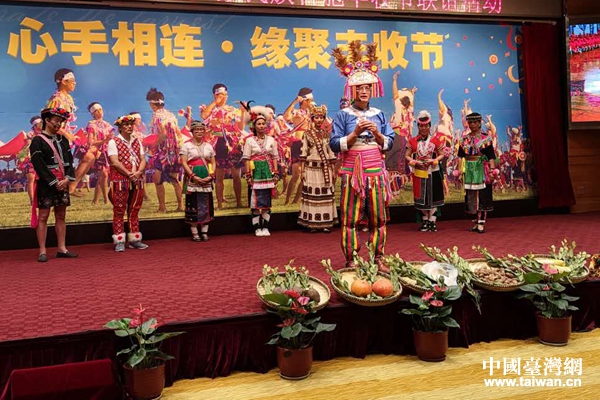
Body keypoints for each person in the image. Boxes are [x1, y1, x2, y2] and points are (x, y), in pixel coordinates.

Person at [330, 40, 395, 269]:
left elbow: (389, 142)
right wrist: (355, 133)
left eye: (367, 87)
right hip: (352, 173)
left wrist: (376, 133)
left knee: (379, 217)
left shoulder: (379, 114)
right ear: (352, 90)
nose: (364, 91)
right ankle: (352, 259)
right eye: (359, 88)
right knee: (350, 218)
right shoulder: (343, 115)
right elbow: (334, 144)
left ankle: (378, 257)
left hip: (376, 171)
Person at [29, 107, 78, 262]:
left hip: (63, 182)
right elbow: (39, 164)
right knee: (43, 216)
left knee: (61, 216)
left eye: (61, 122)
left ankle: (62, 248)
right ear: (47, 120)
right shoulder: (37, 141)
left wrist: (67, 179)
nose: (59, 124)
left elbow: (69, 162)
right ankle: (42, 251)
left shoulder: (63, 140)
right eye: (56, 121)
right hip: (46, 184)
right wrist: (53, 181)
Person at [107, 115, 148, 252]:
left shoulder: (137, 141)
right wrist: (129, 173)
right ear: (120, 127)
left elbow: (143, 159)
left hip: (136, 180)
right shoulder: (113, 142)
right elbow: (114, 161)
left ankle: (134, 240)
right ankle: (119, 241)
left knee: (134, 210)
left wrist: (138, 172)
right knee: (119, 210)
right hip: (121, 181)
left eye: (131, 124)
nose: (130, 126)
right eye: (126, 125)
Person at [201, 83, 244, 209]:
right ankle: (219, 203)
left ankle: (239, 202)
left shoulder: (232, 110)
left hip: (232, 142)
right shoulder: (210, 109)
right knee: (219, 176)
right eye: (220, 95)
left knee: (236, 175)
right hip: (218, 143)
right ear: (215, 95)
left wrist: (242, 113)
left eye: (225, 94)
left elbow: (240, 127)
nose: (223, 97)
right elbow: (204, 116)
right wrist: (215, 102)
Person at [297, 103, 338, 233]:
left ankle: (325, 223)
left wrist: (333, 170)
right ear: (312, 119)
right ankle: (313, 224)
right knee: (312, 196)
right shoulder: (307, 134)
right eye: (317, 117)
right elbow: (303, 152)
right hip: (311, 169)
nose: (319, 120)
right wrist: (302, 171)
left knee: (325, 195)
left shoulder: (327, 134)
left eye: (321, 117)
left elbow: (331, 153)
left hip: (325, 168)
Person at [457, 112, 498, 233]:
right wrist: (459, 171)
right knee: (472, 196)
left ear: (480, 123)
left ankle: (481, 222)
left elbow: (491, 156)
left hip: (482, 170)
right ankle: (476, 220)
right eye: (470, 122)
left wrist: (492, 171)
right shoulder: (464, 139)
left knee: (482, 195)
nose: (473, 124)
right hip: (469, 170)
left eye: (475, 122)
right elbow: (460, 156)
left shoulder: (486, 138)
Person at [405, 111, 446, 232]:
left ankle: (432, 221)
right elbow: (407, 155)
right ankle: (425, 220)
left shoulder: (435, 140)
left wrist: (434, 160)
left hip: (433, 172)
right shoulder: (413, 141)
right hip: (419, 172)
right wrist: (414, 162)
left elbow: (442, 154)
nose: (424, 128)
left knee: (433, 197)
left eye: (426, 125)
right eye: (421, 126)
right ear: (418, 126)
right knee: (421, 197)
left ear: (430, 126)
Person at [242, 110, 279, 237]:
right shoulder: (249, 141)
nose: (261, 126)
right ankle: (257, 228)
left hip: (267, 171)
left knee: (266, 201)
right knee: (255, 202)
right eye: (259, 124)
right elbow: (246, 159)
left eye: (263, 123)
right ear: (254, 126)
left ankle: (266, 227)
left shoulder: (271, 140)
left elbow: (274, 157)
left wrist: (275, 172)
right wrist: (248, 174)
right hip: (255, 172)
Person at [147, 88, 183, 213]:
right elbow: (178, 133)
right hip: (174, 151)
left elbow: (163, 134)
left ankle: (162, 207)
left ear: (152, 104)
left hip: (162, 151)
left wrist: (153, 145)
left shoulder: (157, 116)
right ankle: (180, 206)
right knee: (174, 179)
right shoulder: (171, 115)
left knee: (157, 179)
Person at [180, 121, 216, 242]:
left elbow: (213, 162)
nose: (199, 132)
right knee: (193, 204)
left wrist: (211, 175)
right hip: (193, 176)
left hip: (206, 175)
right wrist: (192, 175)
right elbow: (184, 162)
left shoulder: (209, 146)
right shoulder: (186, 146)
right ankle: (195, 233)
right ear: (192, 132)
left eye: (201, 130)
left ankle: (204, 232)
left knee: (206, 203)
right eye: (197, 130)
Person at [283, 87, 314, 205]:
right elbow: (286, 117)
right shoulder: (297, 112)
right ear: (305, 101)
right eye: (310, 100)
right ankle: (287, 200)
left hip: (309, 143)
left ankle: (296, 200)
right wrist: (294, 102)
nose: (312, 102)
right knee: (296, 174)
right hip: (298, 143)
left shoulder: (312, 113)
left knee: (306, 174)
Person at [45, 68, 77, 144]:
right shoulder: (57, 100)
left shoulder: (68, 99)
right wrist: (67, 135)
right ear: (64, 81)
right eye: (72, 81)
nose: (75, 83)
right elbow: (51, 123)